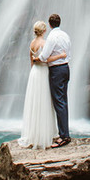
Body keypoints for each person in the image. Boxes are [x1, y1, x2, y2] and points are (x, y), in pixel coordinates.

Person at [18, 20, 57, 149]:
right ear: (44, 30)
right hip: (43, 72)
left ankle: (33, 134)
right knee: (44, 101)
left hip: (34, 73)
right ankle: (45, 135)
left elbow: (32, 61)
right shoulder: (44, 43)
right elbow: (46, 60)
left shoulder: (32, 43)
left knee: (34, 102)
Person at [37, 13, 72, 148]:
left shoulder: (52, 37)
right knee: (63, 101)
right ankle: (65, 133)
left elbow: (44, 56)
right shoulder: (65, 35)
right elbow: (69, 54)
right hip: (66, 68)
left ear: (50, 24)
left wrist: (36, 58)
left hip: (56, 70)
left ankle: (64, 136)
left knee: (59, 102)